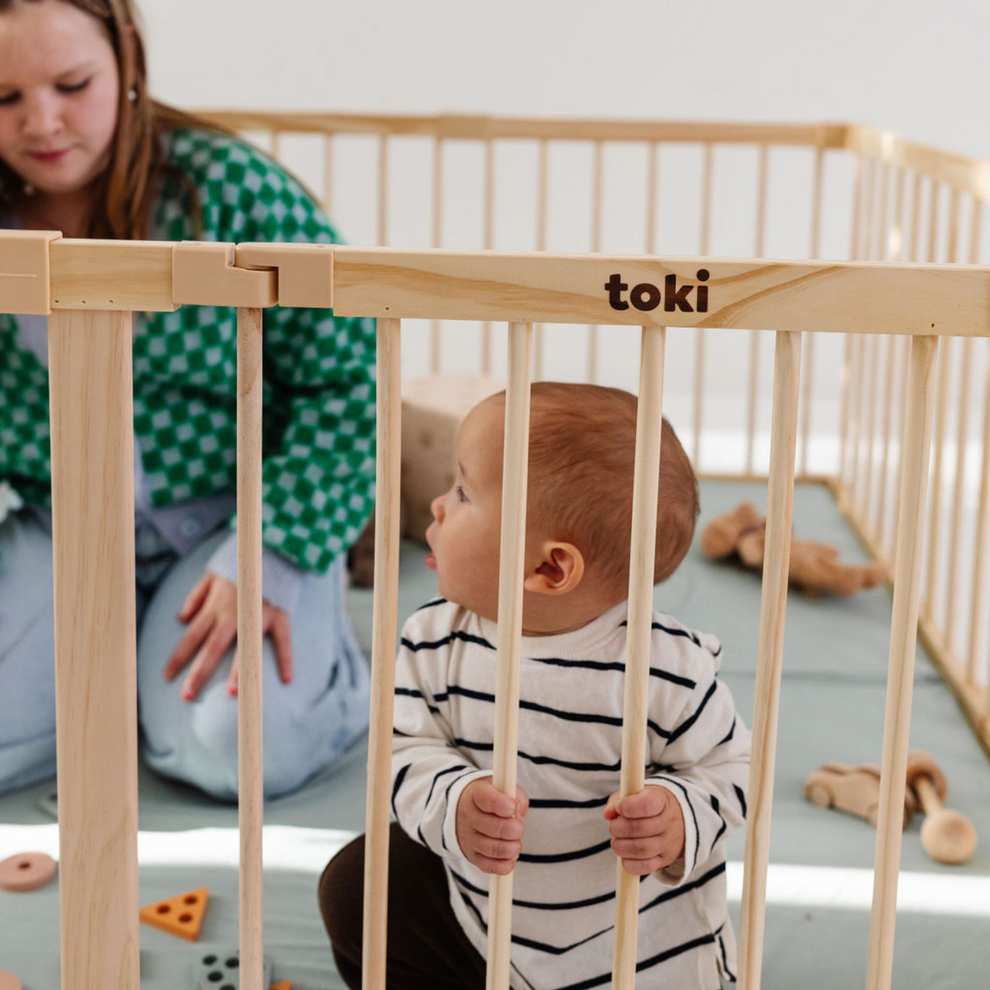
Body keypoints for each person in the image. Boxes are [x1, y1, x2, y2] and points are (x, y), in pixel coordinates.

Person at [0, 0, 374, 800]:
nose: (43, 122)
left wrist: (274, 550)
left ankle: (321, 661)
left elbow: (351, 384)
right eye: (3, 99)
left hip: (244, 514)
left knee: (231, 749)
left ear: (127, 60)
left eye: (72, 83)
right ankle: (121, 674)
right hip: (58, 524)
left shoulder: (228, 193)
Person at [319, 383, 751, 989]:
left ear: (549, 568)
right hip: (480, 923)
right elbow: (401, 752)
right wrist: (454, 802)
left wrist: (679, 817)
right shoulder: (434, 640)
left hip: (631, 953)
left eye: (464, 492)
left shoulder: (666, 669)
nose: (438, 508)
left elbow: (733, 767)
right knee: (359, 885)